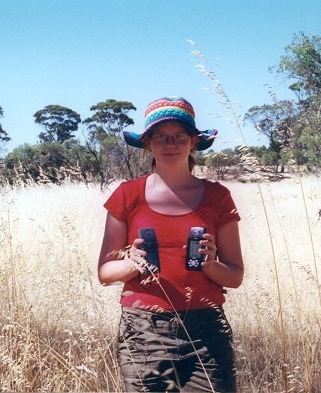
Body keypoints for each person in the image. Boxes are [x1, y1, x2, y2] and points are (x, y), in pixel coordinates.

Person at [98, 96, 244, 392]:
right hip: (143, 331)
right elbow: (104, 273)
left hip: (207, 330)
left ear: (193, 143)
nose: (170, 144)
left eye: (179, 136)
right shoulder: (128, 195)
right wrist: (131, 263)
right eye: (161, 136)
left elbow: (235, 276)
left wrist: (211, 265)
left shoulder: (219, 197)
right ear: (148, 144)